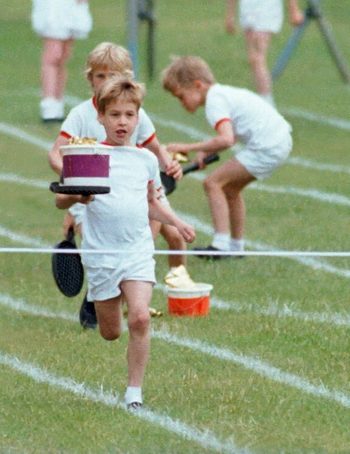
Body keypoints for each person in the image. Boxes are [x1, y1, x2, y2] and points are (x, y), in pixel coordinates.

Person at [54, 76, 195, 410]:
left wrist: (176, 222)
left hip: (137, 250)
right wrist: (77, 195)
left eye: (129, 115)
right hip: (101, 254)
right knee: (111, 332)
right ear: (101, 117)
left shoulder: (145, 159)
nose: (122, 122)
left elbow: (152, 202)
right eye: (114, 114)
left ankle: (134, 392)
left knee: (141, 318)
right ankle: (104, 296)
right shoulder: (86, 156)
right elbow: (61, 201)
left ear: (138, 118)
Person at [48, 42, 187, 329]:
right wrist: (73, 178)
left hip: (134, 184)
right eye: (100, 77)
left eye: (114, 76)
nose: (107, 82)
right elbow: (55, 153)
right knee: (96, 242)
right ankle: (101, 295)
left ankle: (167, 291)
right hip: (92, 193)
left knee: (172, 235)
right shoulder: (81, 114)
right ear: (90, 79)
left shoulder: (133, 110)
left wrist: (167, 163)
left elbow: (152, 144)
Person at [162, 55, 292, 259]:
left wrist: (187, 146)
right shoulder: (221, 94)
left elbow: (226, 140)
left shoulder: (215, 101)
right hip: (279, 140)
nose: (181, 103)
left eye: (181, 96)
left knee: (212, 183)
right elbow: (227, 137)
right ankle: (236, 247)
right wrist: (205, 152)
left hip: (267, 145)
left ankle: (220, 246)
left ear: (197, 85)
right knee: (230, 189)